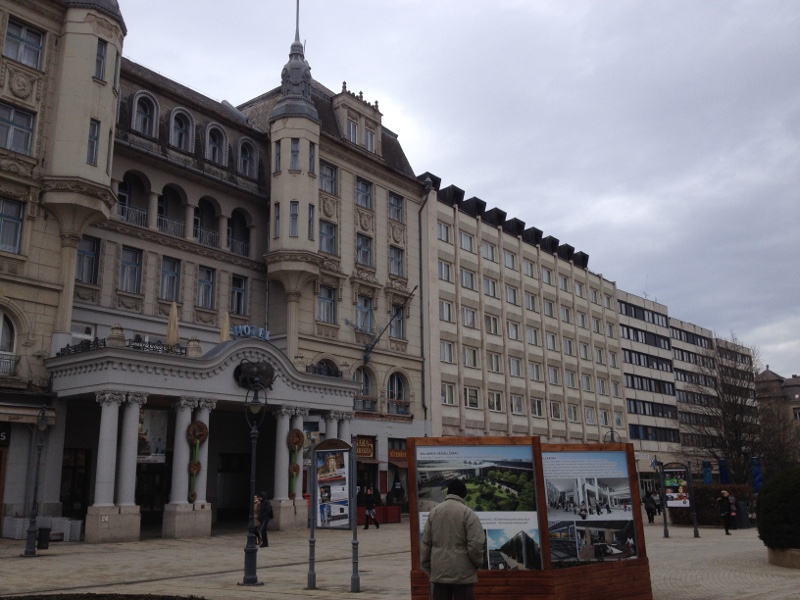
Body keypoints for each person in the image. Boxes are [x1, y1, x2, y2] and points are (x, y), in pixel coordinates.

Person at [421, 479, 485, 600]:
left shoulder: (434, 512)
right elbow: (476, 544)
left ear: (448, 492)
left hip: (439, 571)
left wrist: (425, 565)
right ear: (463, 494)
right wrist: (478, 563)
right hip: (463, 574)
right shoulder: (468, 513)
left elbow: (426, 542)